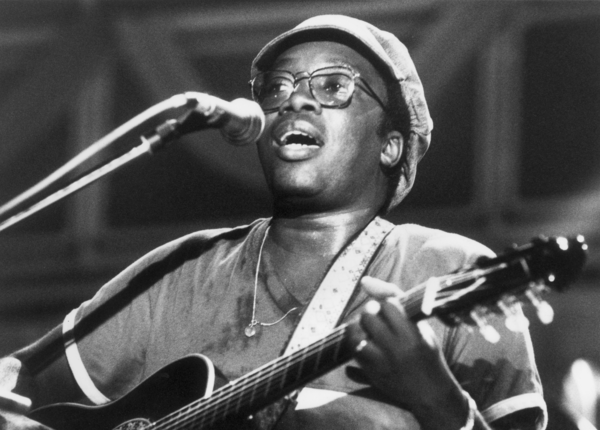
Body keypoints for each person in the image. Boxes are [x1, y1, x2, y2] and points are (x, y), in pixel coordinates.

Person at [0, 14, 546, 430]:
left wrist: (440, 402)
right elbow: (17, 384)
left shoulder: (453, 269)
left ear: (391, 145)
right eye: (276, 88)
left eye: (333, 86)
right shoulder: (182, 268)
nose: (295, 100)